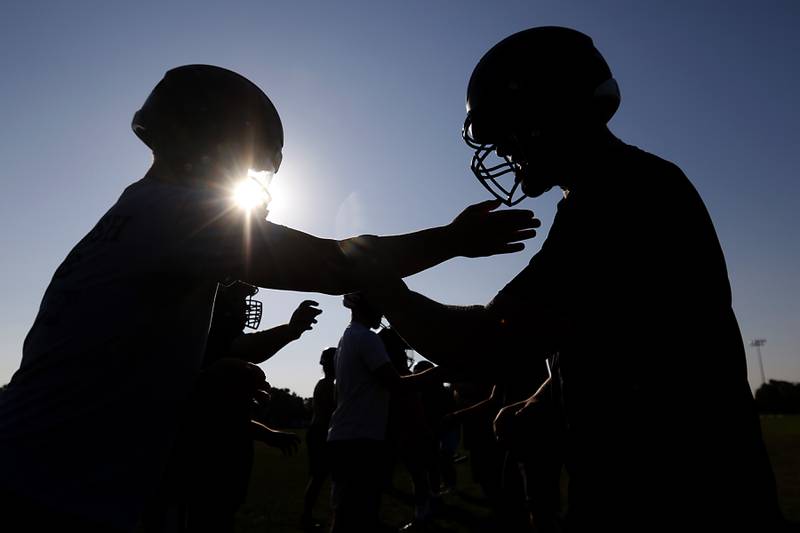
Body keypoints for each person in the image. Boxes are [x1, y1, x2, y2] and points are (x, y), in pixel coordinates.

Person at [0, 64, 539, 532]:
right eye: (246, 162)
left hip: (37, 466)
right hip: (50, 490)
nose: (251, 180)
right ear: (211, 146)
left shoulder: (138, 213)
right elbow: (333, 263)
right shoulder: (177, 215)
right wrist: (450, 240)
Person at [367, 27, 783, 531]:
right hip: (688, 482)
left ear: (546, 110)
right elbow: (617, 337)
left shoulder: (618, 196)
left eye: (507, 130)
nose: (505, 149)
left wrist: (388, 290)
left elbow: (488, 343)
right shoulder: (617, 186)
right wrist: (545, 401)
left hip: (675, 494)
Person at [147, 281, 315, 533]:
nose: (245, 307)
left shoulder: (208, 346)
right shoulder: (200, 342)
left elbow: (226, 418)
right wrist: (291, 330)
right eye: (239, 300)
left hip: (214, 467)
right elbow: (243, 349)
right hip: (198, 469)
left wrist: (266, 434)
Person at [327, 294, 445, 533]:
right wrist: (441, 372)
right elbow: (397, 384)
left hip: (346, 436)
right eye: (378, 305)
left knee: (347, 513)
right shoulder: (367, 338)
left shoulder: (347, 338)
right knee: (357, 514)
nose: (382, 312)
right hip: (359, 438)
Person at [302, 346, 337, 531]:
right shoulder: (329, 386)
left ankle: (308, 516)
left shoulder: (325, 384)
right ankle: (307, 517)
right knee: (319, 477)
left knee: (318, 477)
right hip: (322, 432)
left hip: (318, 431)